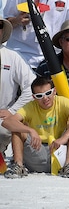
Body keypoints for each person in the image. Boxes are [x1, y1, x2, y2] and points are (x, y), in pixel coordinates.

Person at [2, 76, 69, 179]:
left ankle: (68, 165)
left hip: (59, 151)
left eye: (48, 93)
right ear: (34, 97)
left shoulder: (62, 101)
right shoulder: (30, 106)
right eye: (39, 95)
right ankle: (18, 166)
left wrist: (65, 137)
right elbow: (7, 122)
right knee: (17, 128)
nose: (45, 98)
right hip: (37, 150)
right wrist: (30, 130)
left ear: (54, 91)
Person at [0, 17, 35, 157]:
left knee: (3, 130)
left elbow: (31, 87)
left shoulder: (13, 57)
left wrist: (12, 111)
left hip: (2, 117)